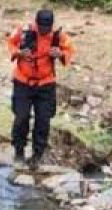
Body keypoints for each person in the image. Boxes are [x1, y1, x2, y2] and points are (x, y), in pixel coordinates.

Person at [6, 9, 75, 169]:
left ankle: (38, 154)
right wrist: (18, 53)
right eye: (42, 27)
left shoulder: (58, 37)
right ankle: (19, 151)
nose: (44, 30)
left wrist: (60, 54)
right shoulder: (23, 31)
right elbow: (10, 42)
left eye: (47, 28)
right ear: (36, 23)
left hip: (46, 83)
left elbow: (69, 50)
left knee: (43, 120)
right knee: (21, 117)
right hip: (23, 81)